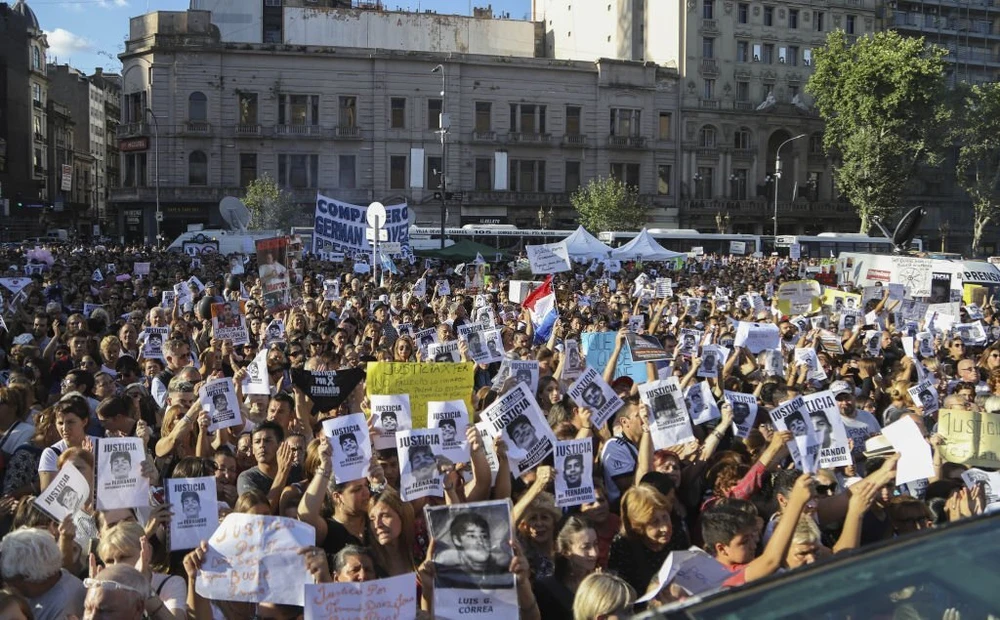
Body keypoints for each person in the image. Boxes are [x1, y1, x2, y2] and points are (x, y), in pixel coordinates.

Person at [0, 527, 86, 620]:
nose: (7, 586)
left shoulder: (65, 606)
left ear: (28, 578)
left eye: (11, 580)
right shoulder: (50, 582)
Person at [435, 512, 510, 589]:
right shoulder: (446, 574)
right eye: (472, 536)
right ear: (457, 540)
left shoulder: (503, 571)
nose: (480, 541)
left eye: (484, 536)